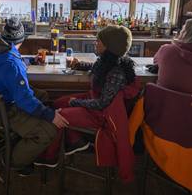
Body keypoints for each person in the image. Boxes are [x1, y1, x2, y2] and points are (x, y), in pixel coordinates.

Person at [37, 25, 141, 180]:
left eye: (99, 42)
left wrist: (75, 103)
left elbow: (102, 104)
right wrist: (78, 64)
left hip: (101, 115)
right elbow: (96, 68)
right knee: (58, 102)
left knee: (57, 116)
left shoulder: (116, 73)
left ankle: (50, 157)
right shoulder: (107, 61)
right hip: (93, 102)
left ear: (109, 47)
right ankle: (75, 140)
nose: (95, 43)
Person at [0, 17, 68, 175]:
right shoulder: (13, 64)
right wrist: (50, 116)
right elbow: (24, 98)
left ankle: (24, 137)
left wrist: (25, 62)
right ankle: (13, 161)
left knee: (42, 95)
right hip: (5, 110)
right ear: (21, 40)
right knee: (48, 131)